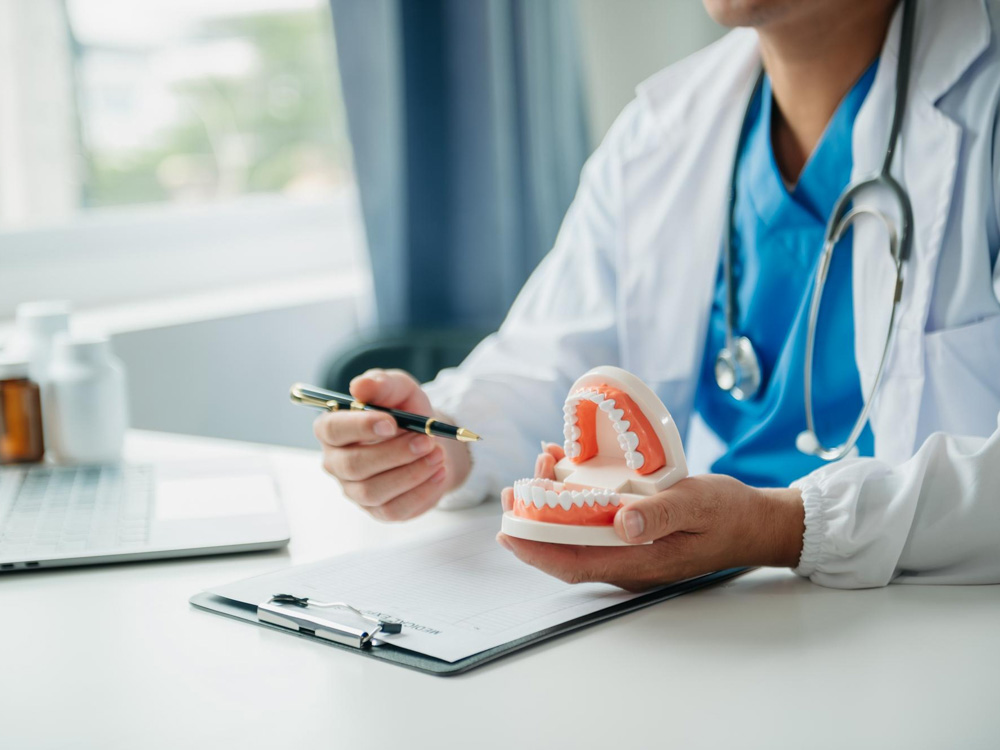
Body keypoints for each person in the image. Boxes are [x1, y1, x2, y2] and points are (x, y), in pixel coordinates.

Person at [313, 0, 1000, 590]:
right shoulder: (661, 132)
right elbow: (547, 362)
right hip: (703, 599)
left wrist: (784, 527)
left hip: (928, 613)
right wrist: (435, 443)